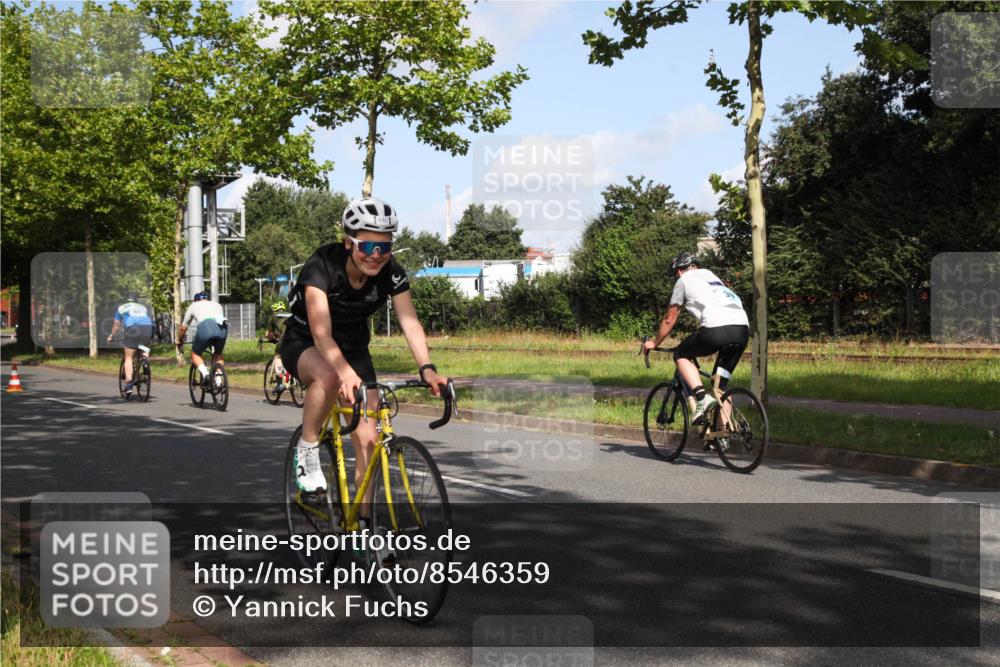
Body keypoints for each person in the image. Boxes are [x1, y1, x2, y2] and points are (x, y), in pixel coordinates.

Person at [280, 197, 448, 505]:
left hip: (354, 347)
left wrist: (427, 368)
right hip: (305, 341)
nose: (377, 256)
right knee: (329, 378)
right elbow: (321, 333)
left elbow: (410, 323)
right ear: (349, 243)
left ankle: (365, 530)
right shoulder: (322, 265)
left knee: (370, 443)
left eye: (384, 248)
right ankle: (307, 448)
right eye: (368, 248)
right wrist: (343, 372)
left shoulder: (392, 272)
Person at [642, 252, 750, 424]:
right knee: (720, 387)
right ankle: (723, 434)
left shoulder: (683, 280)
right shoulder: (712, 276)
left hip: (717, 329)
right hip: (742, 331)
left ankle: (701, 397)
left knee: (680, 354)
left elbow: (670, 319)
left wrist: (654, 343)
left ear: (678, 271)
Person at [176, 291, 228, 387]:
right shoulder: (217, 305)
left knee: (195, 354)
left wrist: (180, 340)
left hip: (206, 328)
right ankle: (218, 379)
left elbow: (183, 328)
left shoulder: (193, 306)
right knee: (218, 353)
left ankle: (205, 374)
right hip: (222, 328)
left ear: (196, 300)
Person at [107, 295, 153, 395]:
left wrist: (111, 336)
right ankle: (145, 360)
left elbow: (117, 325)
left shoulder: (121, 308)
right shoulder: (143, 307)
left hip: (132, 328)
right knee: (143, 346)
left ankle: (129, 384)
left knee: (128, 357)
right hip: (147, 327)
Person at [265, 301, 291, 379]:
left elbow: (268, 334)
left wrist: (272, 339)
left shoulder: (274, 316)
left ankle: (279, 382)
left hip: (284, 338)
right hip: (297, 338)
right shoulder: (291, 315)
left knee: (278, 357)